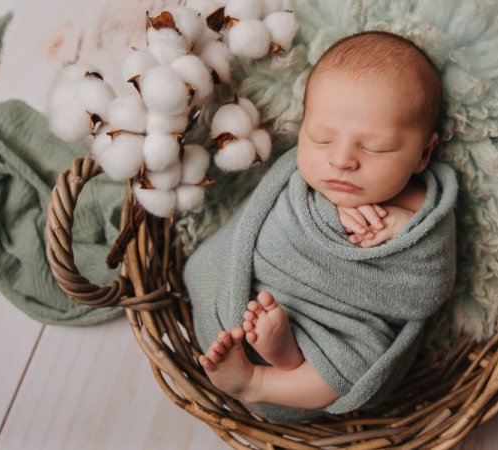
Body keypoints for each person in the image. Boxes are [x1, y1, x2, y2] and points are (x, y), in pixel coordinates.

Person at [189, 30, 456, 416]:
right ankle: (284, 351)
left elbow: (428, 293)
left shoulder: (423, 209)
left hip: (347, 327)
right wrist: (331, 210)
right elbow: (266, 223)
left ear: (422, 153)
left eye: (374, 147)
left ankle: (257, 381)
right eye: (321, 138)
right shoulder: (306, 181)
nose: (342, 160)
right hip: (271, 287)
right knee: (222, 277)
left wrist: (404, 232)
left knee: (360, 365)